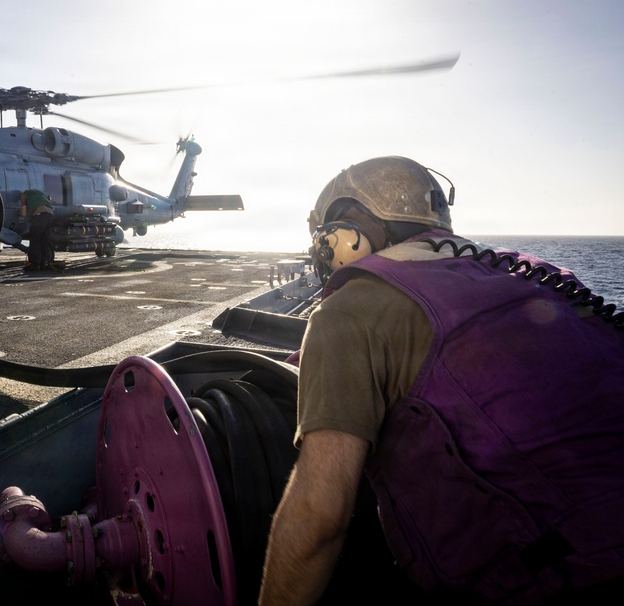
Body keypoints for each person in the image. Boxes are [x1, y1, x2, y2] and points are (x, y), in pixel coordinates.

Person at [258, 156, 624, 605]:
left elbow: (320, 518)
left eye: (324, 240)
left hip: (556, 578)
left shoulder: (350, 310)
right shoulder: (531, 278)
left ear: (344, 236)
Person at [19, 189, 55, 271]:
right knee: (44, 240)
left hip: (39, 214)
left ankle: (34, 264)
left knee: (34, 239)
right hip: (50, 215)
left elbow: (24, 213)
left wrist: (20, 212)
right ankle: (45, 262)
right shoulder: (41, 194)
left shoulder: (24, 195)